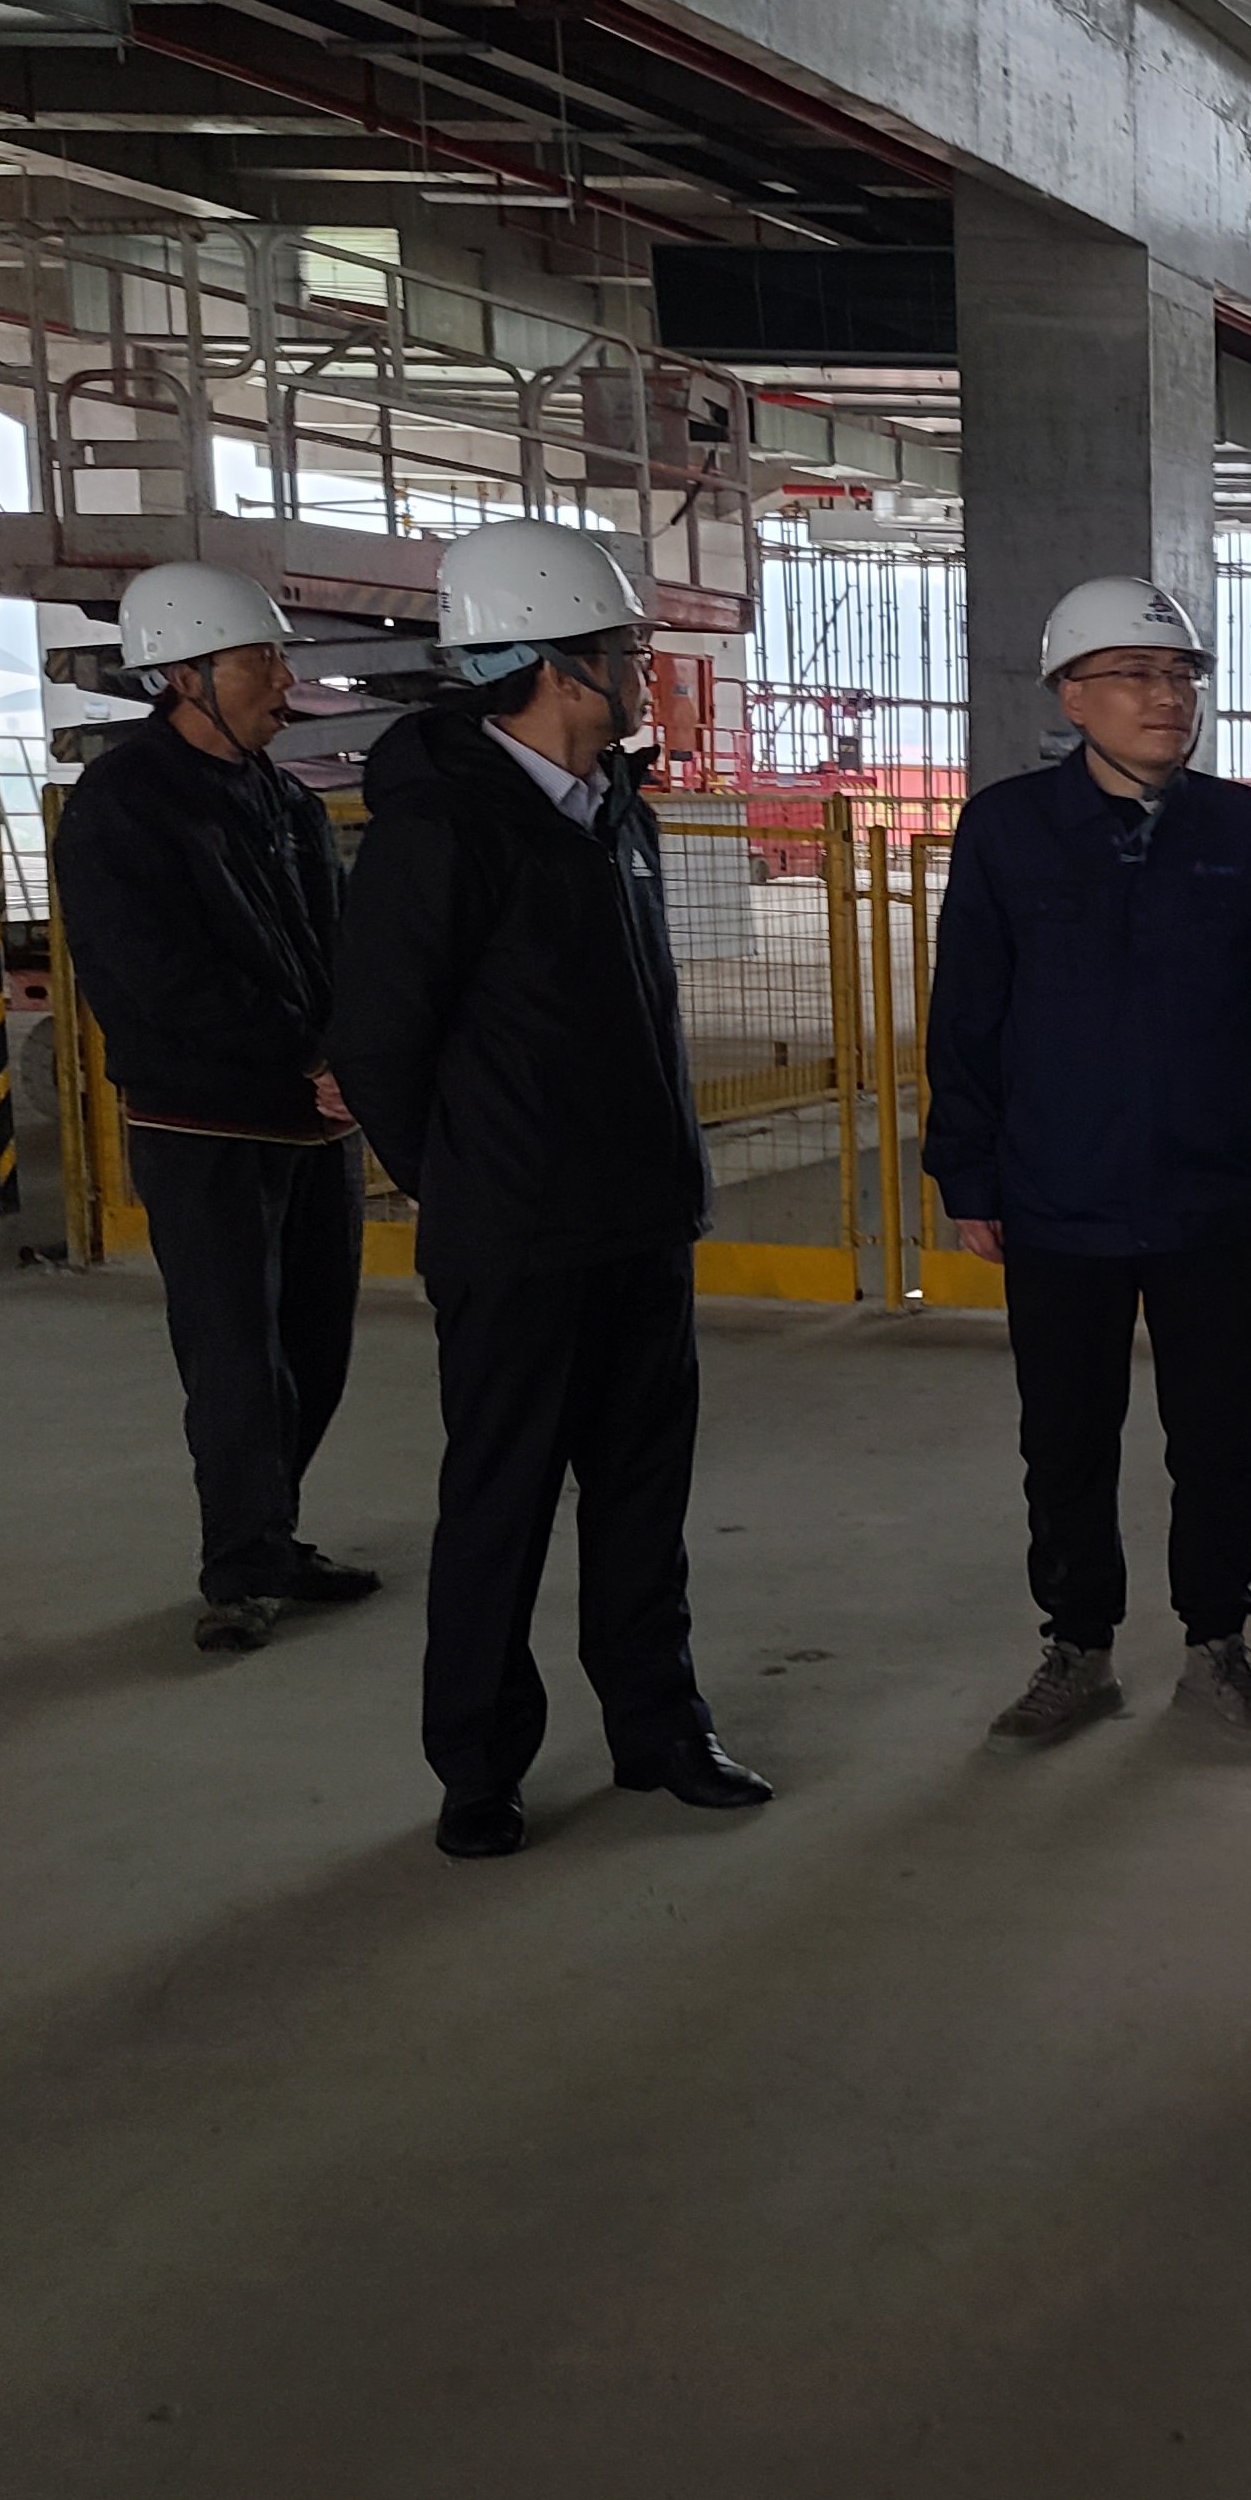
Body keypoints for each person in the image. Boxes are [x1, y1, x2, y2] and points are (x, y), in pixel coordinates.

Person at [329, 519, 770, 1860]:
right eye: (628, 650)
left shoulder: (615, 813)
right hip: (513, 1241)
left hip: (639, 1223)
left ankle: (659, 1727)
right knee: (502, 1505)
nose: (645, 672)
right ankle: (479, 1765)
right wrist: (470, 1180)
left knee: (642, 1496)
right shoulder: (442, 829)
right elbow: (378, 1048)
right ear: (561, 668)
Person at [924, 575, 1251, 1755]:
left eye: (1181, 675)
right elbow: (968, 1011)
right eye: (1135, 675)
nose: (1167, 697)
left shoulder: (1247, 833)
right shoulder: (1009, 831)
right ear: (1071, 696)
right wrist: (968, 1172)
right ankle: (1078, 1648)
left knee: (1220, 1437)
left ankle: (1218, 1642)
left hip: (1211, 1197)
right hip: (1055, 1199)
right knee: (1064, 1439)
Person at [53, 563, 381, 1653]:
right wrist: (303, 1051)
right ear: (185, 675)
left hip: (314, 1120)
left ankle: (274, 1533)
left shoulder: (284, 803)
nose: (286, 684)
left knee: (316, 1348)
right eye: (261, 662)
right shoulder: (124, 806)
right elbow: (152, 978)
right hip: (205, 1127)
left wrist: (349, 1052)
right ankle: (241, 1567)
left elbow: (338, 948)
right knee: (237, 1358)